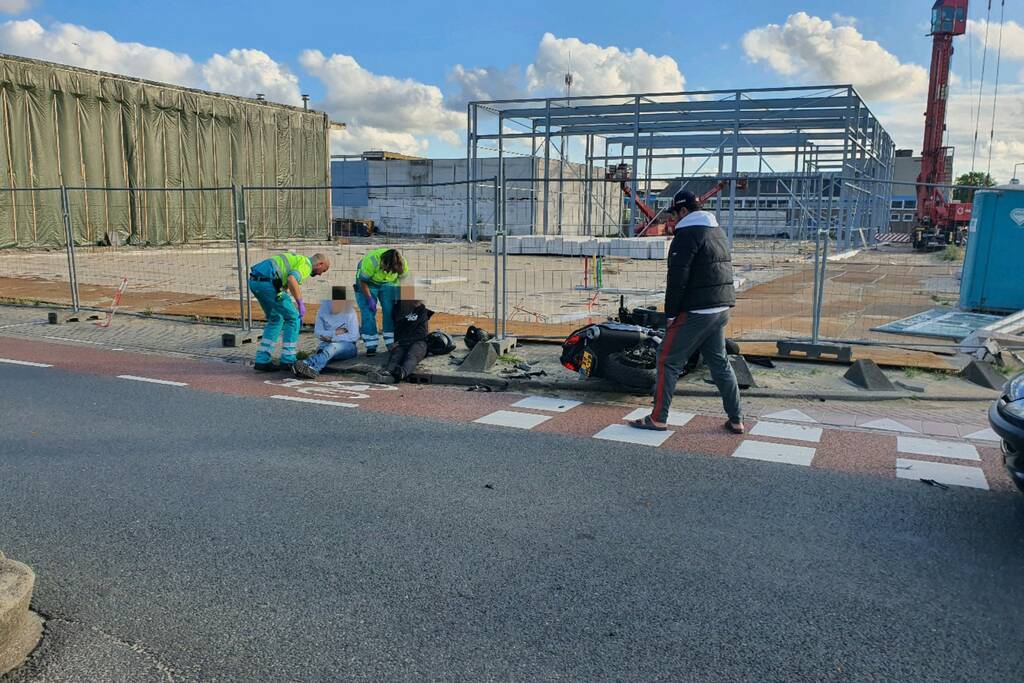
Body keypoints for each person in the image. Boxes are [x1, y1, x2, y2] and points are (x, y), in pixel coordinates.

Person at [629, 189, 744, 434]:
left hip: (697, 310)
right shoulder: (717, 231)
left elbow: (677, 279)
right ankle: (736, 419)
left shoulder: (686, 235)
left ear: (683, 211)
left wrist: (670, 314)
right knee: (719, 361)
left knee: (667, 359)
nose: (673, 219)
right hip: (721, 307)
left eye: (675, 214)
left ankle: (658, 418)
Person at [248, 251, 330, 371]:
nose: (320, 275)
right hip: (268, 283)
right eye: (323, 271)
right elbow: (292, 279)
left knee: (275, 319)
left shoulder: (297, 258)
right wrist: (300, 303)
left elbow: (284, 280)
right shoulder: (306, 265)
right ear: (320, 264)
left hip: (255, 281)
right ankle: (288, 359)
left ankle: (262, 360)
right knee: (293, 318)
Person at [368, 284, 432, 384]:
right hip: (402, 342)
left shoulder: (422, 310)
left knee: (412, 356)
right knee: (396, 355)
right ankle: (387, 374)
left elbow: (421, 334)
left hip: (418, 342)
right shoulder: (399, 309)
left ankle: (401, 373)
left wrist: (401, 342)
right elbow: (398, 329)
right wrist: (397, 342)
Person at [292, 286, 359, 379]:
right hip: (326, 343)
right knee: (323, 350)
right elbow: (317, 332)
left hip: (349, 347)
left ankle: (306, 363)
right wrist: (335, 332)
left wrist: (332, 338)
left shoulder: (350, 312)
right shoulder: (323, 310)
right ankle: (313, 369)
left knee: (331, 347)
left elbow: (354, 336)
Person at [354, 247, 408, 356]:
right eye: (384, 268)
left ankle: (390, 343)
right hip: (367, 283)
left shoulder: (402, 263)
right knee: (368, 313)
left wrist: (401, 298)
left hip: (388, 283)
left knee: (390, 311)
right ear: (382, 261)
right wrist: (369, 299)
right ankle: (371, 345)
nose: (385, 271)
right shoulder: (371, 262)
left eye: (388, 270)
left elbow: (404, 280)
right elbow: (363, 281)